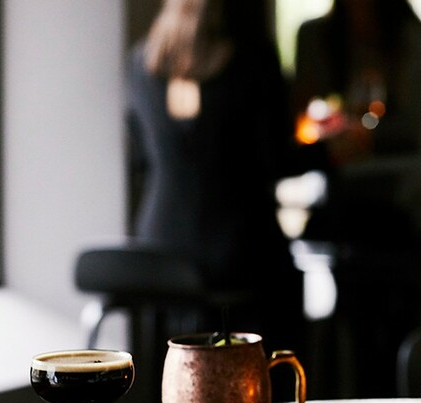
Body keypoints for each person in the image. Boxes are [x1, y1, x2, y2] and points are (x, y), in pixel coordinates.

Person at [126, 0, 316, 376]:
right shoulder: (252, 61)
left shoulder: (140, 62)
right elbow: (276, 162)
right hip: (236, 251)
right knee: (289, 285)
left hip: (158, 248)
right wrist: (327, 149)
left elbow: (139, 159)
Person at [291, 0, 421, 397]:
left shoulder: (410, 39)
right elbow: (302, 115)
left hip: (406, 204)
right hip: (351, 208)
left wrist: (360, 135)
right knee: (354, 317)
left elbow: (412, 127)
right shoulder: (319, 36)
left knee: (398, 319)